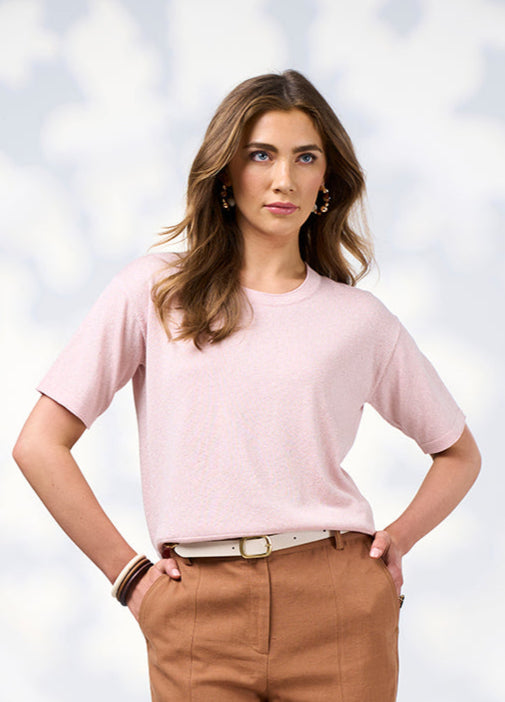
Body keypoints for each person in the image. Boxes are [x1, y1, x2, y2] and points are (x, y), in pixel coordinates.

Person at [13, 69, 481, 702]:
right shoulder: (154, 292)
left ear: (326, 181)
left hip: (338, 604)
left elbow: (458, 453)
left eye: (305, 158)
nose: (284, 178)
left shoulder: (359, 321)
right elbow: (39, 445)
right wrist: (130, 578)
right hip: (197, 611)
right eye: (261, 155)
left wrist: (399, 537)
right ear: (226, 173)